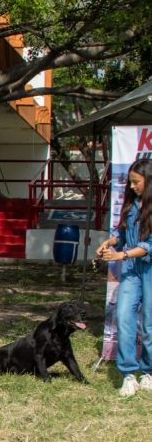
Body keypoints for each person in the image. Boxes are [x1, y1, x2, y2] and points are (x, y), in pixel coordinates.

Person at [96, 158, 152, 397]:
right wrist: (108, 242)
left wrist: (121, 255)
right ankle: (129, 374)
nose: (131, 186)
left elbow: (149, 246)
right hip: (131, 271)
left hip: (148, 269)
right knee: (124, 318)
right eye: (130, 182)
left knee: (149, 324)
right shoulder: (131, 205)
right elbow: (121, 232)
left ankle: (148, 372)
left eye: (136, 182)